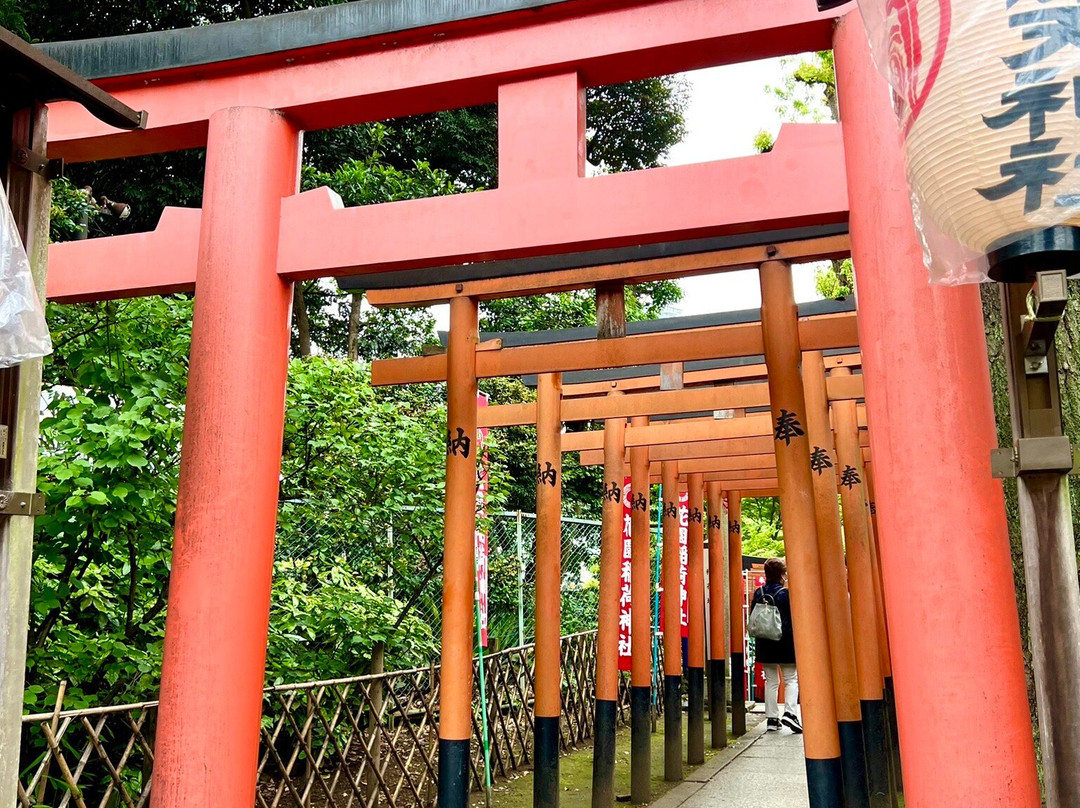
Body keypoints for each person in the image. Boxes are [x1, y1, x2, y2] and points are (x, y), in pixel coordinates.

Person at [752, 557, 801, 733]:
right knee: (790, 679)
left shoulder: (759, 593)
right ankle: (790, 713)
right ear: (782, 574)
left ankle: (772, 718)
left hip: (765, 642)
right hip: (785, 642)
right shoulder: (785, 594)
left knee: (771, 681)